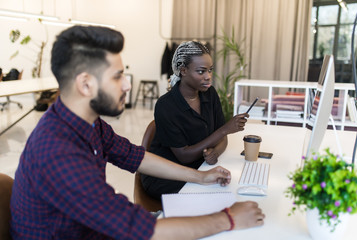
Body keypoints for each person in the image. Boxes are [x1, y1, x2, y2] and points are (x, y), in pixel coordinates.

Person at [10, 26, 264, 239]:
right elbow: (138, 230)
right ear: (86, 84)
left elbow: (136, 156)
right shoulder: (58, 153)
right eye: (118, 76)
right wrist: (228, 219)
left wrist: (200, 177)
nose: (128, 84)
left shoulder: (86, 123)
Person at [141, 41, 249, 200]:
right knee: (218, 195)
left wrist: (215, 152)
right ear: (183, 71)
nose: (208, 76)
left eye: (210, 70)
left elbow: (221, 138)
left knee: (231, 189)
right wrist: (225, 129)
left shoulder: (209, 93)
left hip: (199, 167)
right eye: (201, 71)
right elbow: (184, 156)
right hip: (166, 175)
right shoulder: (166, 105)